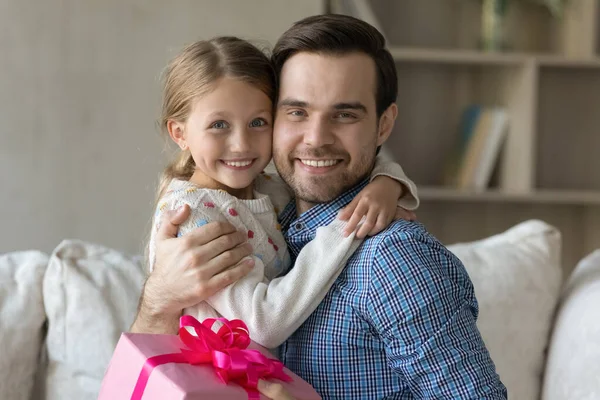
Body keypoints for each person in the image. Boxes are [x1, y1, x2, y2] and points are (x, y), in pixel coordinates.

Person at [138, 37, 419, 350]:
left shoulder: (266, 189)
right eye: (219, 124)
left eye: (258, 122)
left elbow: (371, 163)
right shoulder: (193, 215)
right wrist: (349, 226)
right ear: (180, 133)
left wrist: (385, 184)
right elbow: (264, 321)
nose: (241, 144)